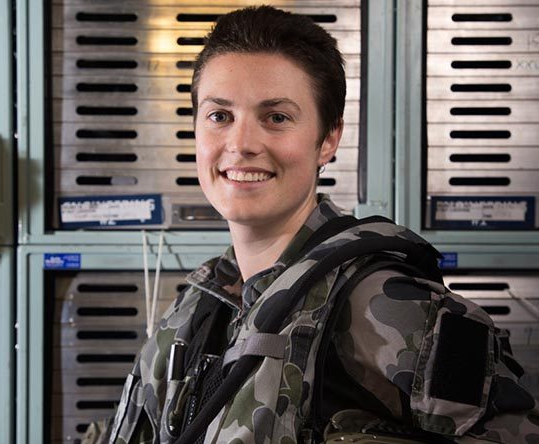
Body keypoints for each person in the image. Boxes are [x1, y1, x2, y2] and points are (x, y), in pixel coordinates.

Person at [84, 5, 539, 443]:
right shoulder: (198, 303)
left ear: (328, 140)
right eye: (219, 116)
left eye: (276, 117)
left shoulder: (388, 306)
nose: (240, 144)